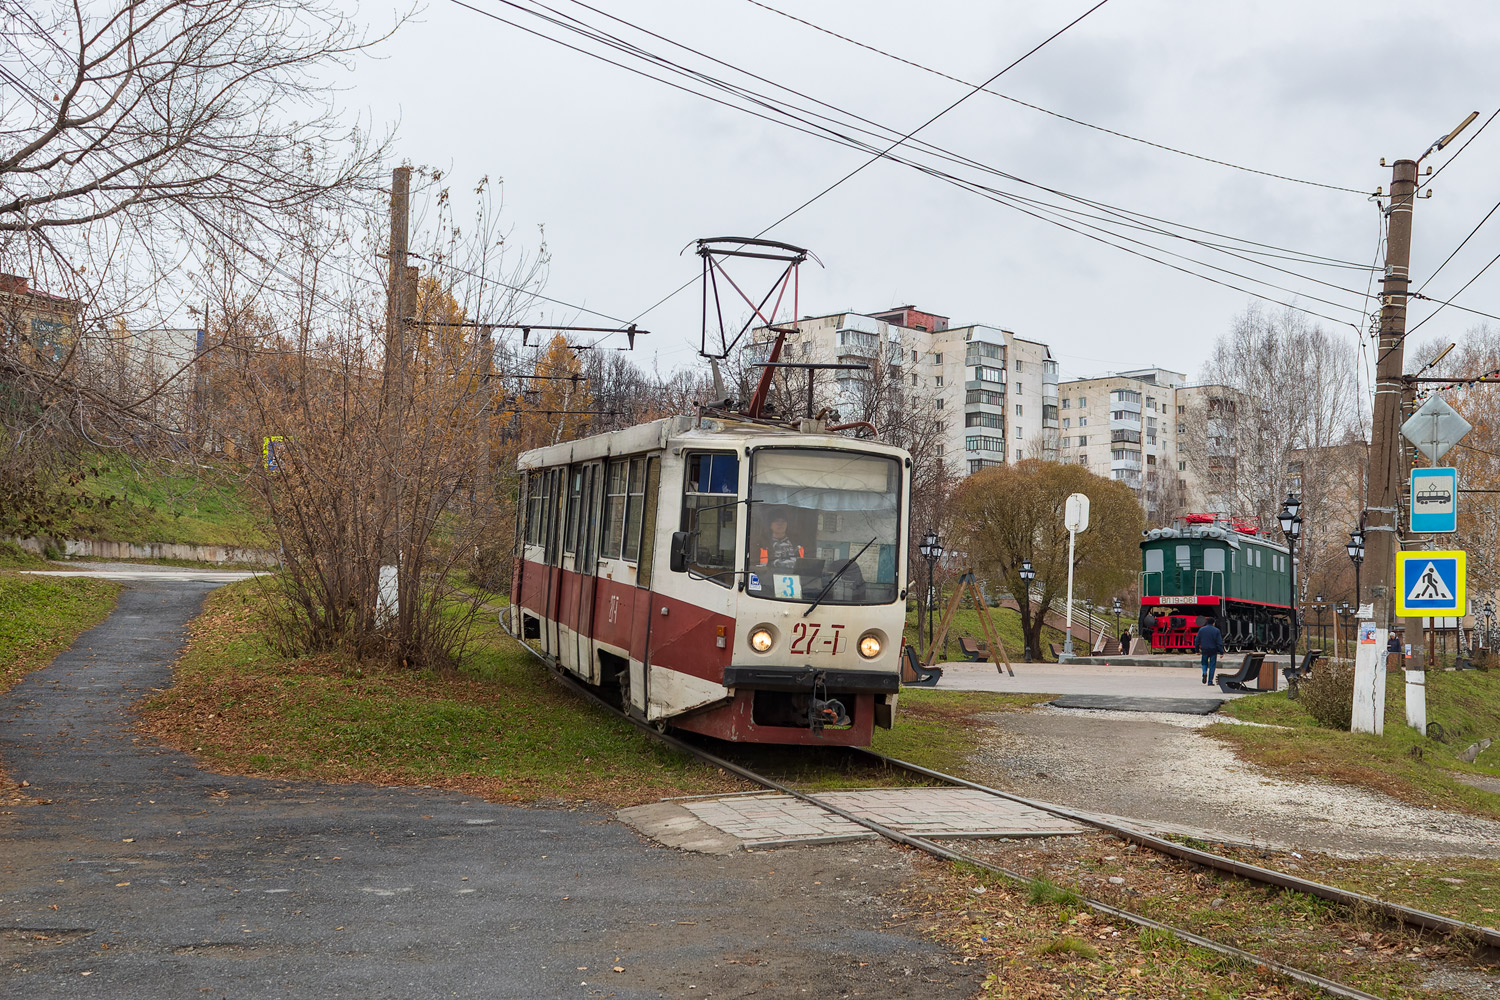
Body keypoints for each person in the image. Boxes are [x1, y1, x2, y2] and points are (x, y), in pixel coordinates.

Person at [1196, 617, 1224, 685]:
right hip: (1213, 650)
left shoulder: (1201, 630)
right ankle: (1210, 681)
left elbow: (1196, 641)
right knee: (1212, 665)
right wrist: (1221, 652)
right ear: (1213, 623)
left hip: (1204, 649)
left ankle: (1204, 672)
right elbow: (1219, 642)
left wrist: (1197, 650)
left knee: (1204, 663)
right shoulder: (1216, 630)